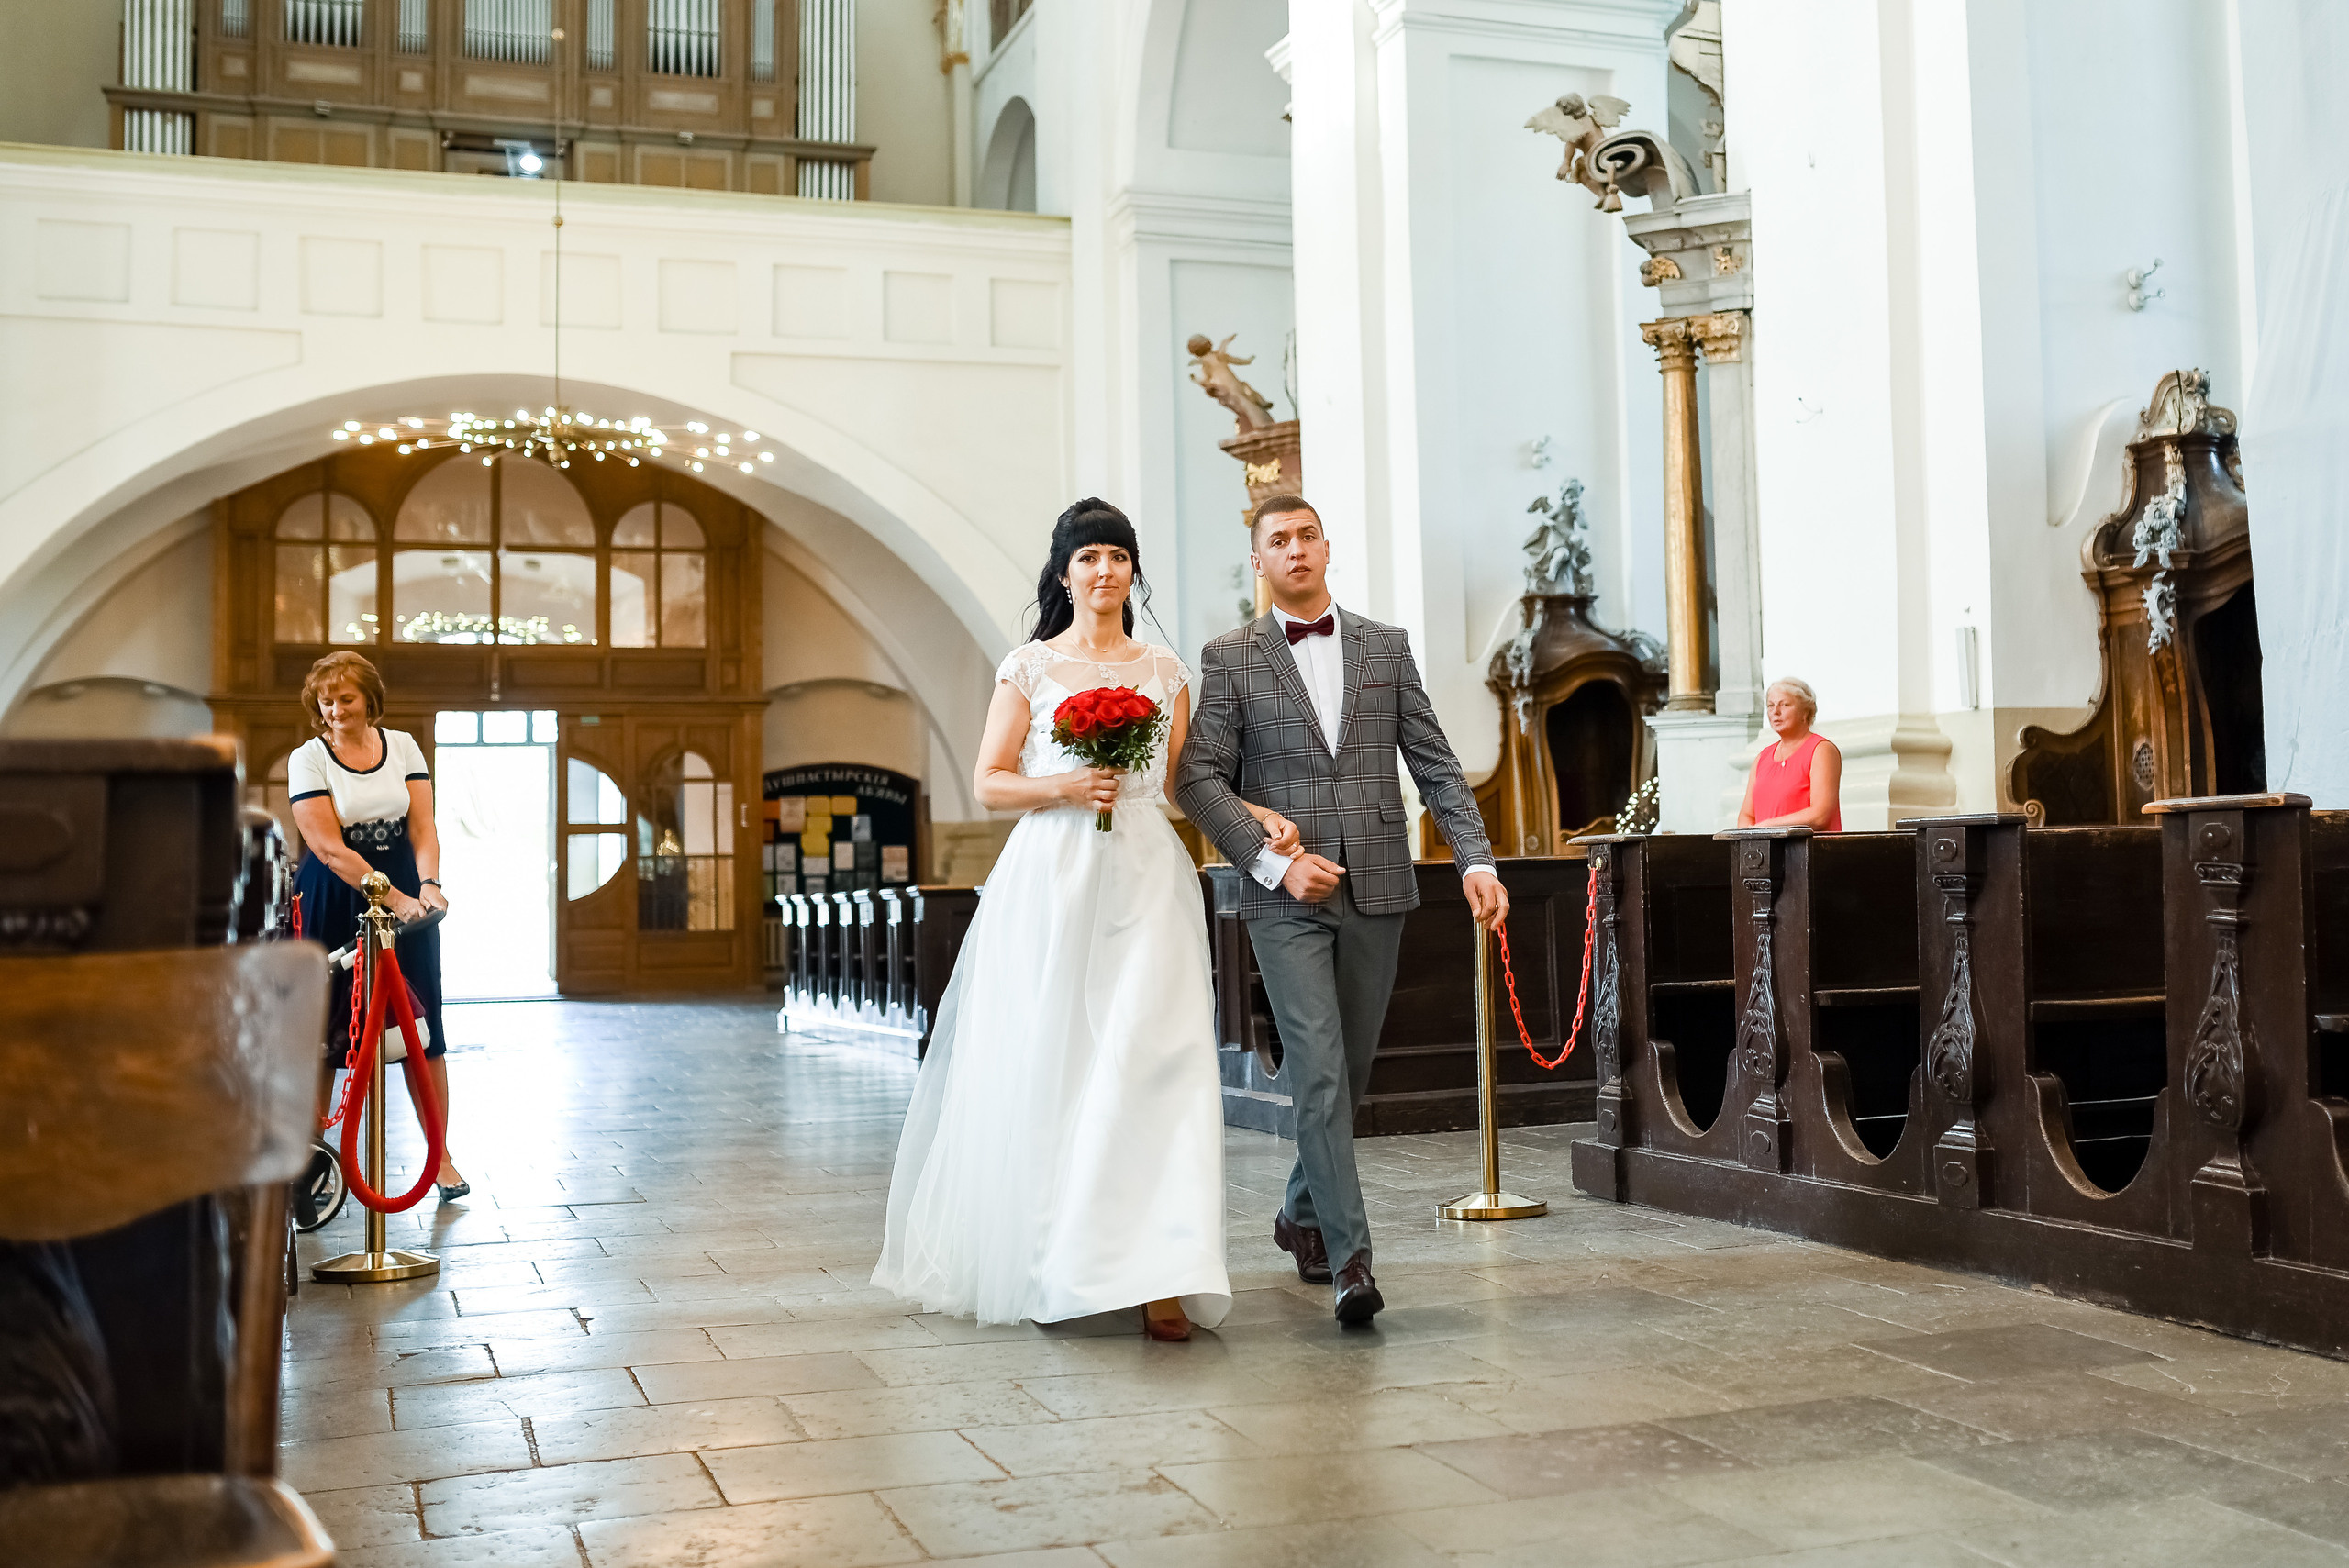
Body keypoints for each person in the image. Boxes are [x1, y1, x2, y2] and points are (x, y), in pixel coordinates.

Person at [873, 499, 1273, 1340]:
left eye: (1118, 557)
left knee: (1154, 1058)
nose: (1104, 572)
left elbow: (1180, 789)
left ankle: (1165, 1270)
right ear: (1064, 573)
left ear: (1133, 572)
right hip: (1052, 877)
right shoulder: (1029, 666)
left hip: (1145, 876)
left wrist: (1255, 815)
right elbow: (989, 781)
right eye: (1089, 557)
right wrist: (1062, 785)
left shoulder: (1164, 670)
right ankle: (1053, 1258)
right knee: (1056, 1061)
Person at [1175, 493, 1508, 1326]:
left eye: (1307, 536)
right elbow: (1199, 778)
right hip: (1283, 900)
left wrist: (1475, 858)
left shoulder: (1385, 648)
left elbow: (1436, 765)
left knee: (1346, 1077)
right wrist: (1272, 862)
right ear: (1258, 562)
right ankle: (1353, 1259)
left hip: (1382, 887)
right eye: (1278, 541)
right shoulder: (1230, 656)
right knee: (1319, 1072)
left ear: (1327, 547)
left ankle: (1298, 1216)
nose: (1295, 549)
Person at [286, 651, 467, 1201]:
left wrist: (429, 886)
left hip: (408, 892)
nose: (336, 709)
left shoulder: (404, 746)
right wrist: (392, 896)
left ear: (369, 699)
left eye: (346, 698)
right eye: (327, 700)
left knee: (423, 1028)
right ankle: (311, 1163)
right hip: (335, 894)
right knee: (325, 1032)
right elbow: (326, 845)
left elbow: (423, 826)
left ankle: (441, 1158)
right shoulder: (307, 757)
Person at [1737, 677, 1842, 830]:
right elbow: (1746, 815)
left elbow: (1820, 815)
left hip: (1810, 851)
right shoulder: (1762, 757)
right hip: (1765, 851)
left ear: (1805, 712)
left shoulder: (1821, 750)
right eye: (1770, 705)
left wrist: (1766, 827)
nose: (1775, 712)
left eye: (1784, 705)